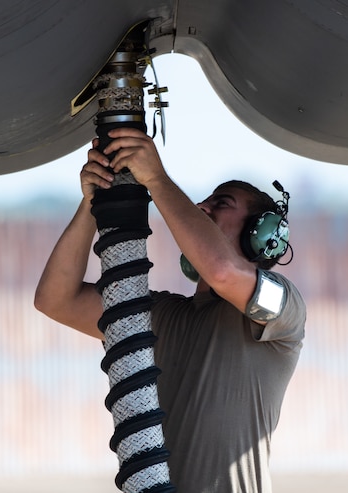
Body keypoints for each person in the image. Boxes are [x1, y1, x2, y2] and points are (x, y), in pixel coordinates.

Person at [34, 127, 306, 492]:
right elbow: (56, 300)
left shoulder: (281, 307)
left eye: (221, 204)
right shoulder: (164, 316)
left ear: (260, 233)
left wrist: (157, 180)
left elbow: (223, 272)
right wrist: (93, 203)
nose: (202, 207)